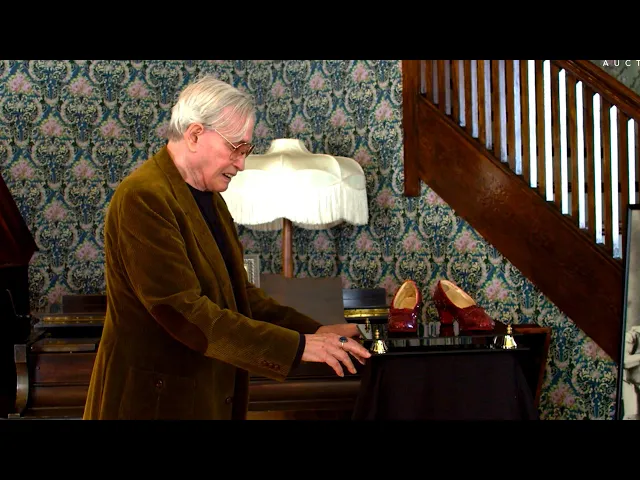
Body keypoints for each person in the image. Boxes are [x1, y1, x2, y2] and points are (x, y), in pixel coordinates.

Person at [83, 75, 371, 420]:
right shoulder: (143, 197)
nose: (241, 163)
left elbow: (239, 295)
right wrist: (297, 347)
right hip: (154, 403)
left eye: (246, 150)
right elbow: (183, 312)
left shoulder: (210, 197)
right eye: (236, 148)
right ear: (195, 135)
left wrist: (313, 331)